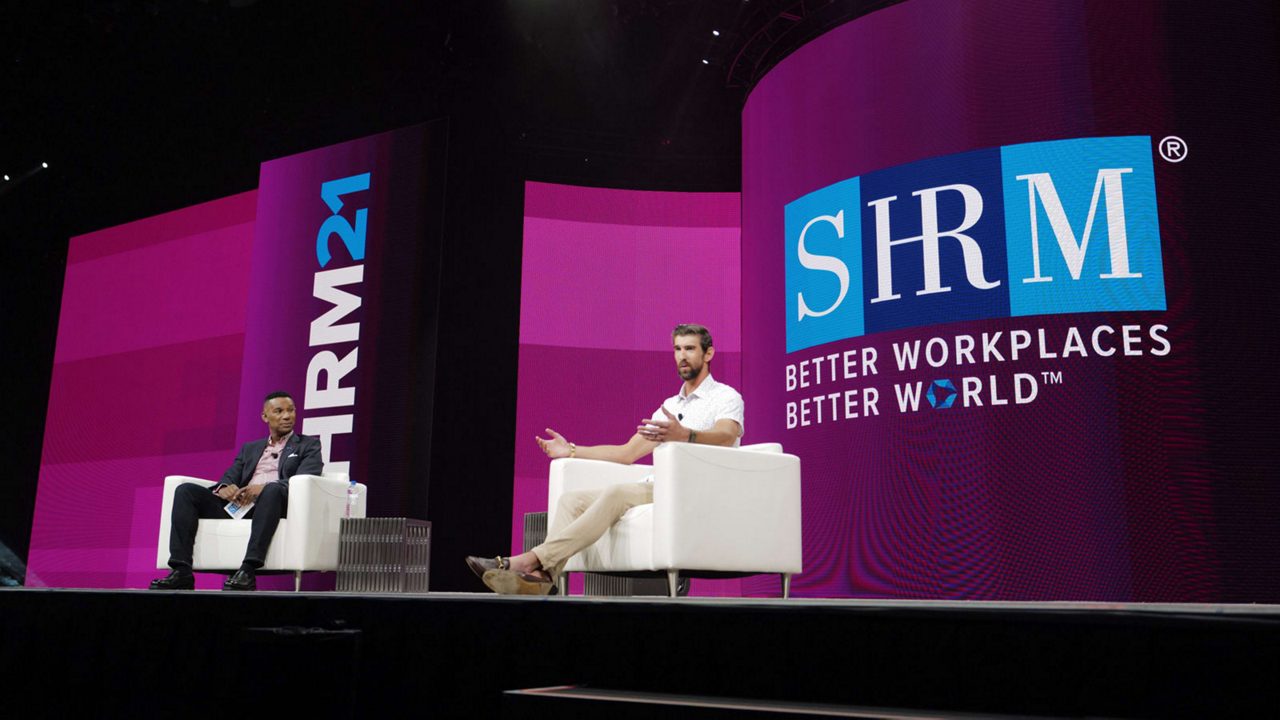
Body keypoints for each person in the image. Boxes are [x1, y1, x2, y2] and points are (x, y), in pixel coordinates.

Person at [466, 323, 744, 595]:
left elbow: (727, 434)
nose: (682, 356)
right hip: (659, 485)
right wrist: (572, 450)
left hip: (695, 486)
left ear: (708, 354)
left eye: (690, 349)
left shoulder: (725, 396)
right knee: (570, 501)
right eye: (677, 349)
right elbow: (626, 453)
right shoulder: (670, 407)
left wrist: (685, 435)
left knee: (617, 493)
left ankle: (526, 561)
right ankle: (543, 576)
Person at [150, 391, 324, 591]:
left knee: (273, 490)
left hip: (274, 504)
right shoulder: (250, 448)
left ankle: (248, 570)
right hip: (241, 505)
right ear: (265, 416)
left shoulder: (308, 445)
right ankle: (182, 571)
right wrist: (225, 488)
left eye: (291, 410)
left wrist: (263, 488)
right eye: (279, 411)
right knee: (185, 491)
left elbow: (307, 477)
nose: (287, 416)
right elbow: (229, 477)